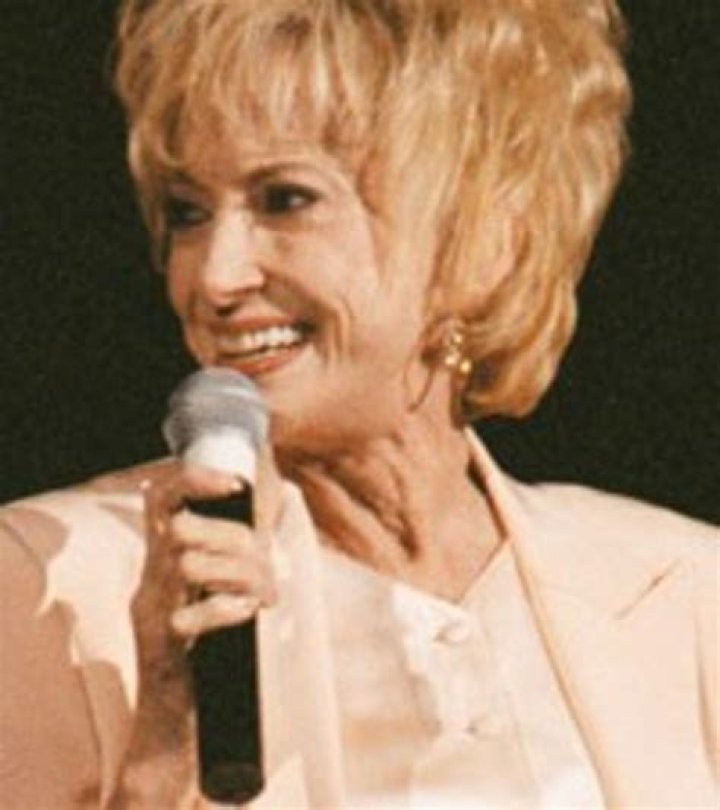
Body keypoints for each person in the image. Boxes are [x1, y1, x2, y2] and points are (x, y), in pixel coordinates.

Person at [1, 0, 717, 807]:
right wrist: (163, 751)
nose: (214, 277)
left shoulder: (685, 591)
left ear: (486, 239)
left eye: (285, 199)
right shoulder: (48, 584)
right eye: (187, 214)